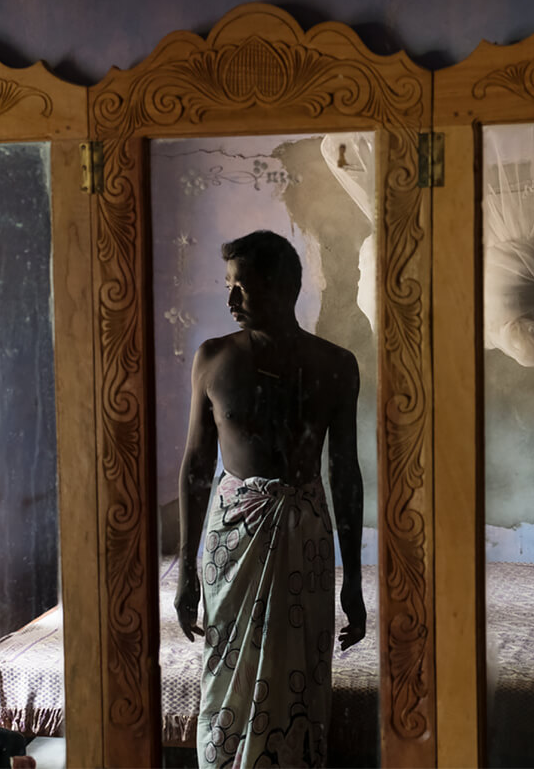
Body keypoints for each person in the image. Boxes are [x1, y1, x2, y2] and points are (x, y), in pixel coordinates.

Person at [174, 230, 366, 768]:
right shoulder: (213, 359)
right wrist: (186, 570)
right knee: (227, 674)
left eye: (244, 286)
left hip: (304, 536)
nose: (231, 299)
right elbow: (195, 467)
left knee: (297, 676)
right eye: (229, 285)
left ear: (284, 288)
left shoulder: (336, 365)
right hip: (231, 539)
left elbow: (344, 472)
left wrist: (353, 578)